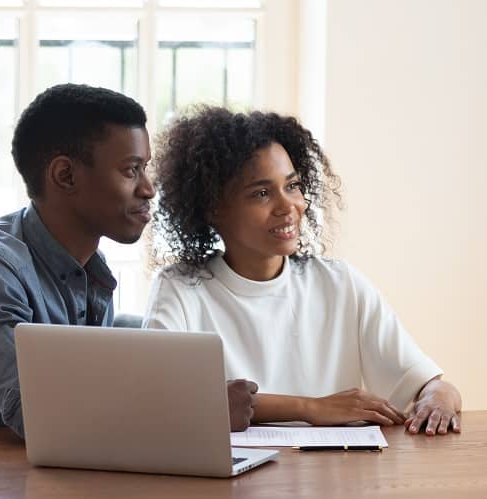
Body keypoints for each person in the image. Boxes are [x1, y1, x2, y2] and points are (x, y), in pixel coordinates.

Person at [0, 84, 257, 437]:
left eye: (146, 168)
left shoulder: (90, 269)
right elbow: (37, 414)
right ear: (65, 175)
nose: (149, 188)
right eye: (131, 170)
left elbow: (88, 395)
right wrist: (198, 410)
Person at [145, 106, 462, 435]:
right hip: (233, 482)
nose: (288, 207)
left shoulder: (339, 284)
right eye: (262, 193)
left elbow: (434, 386)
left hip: (334, 477)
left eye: (293, 186)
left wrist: (436, 398)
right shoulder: (180, 289)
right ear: (213, 208)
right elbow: (162, 400)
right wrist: (311, 408)